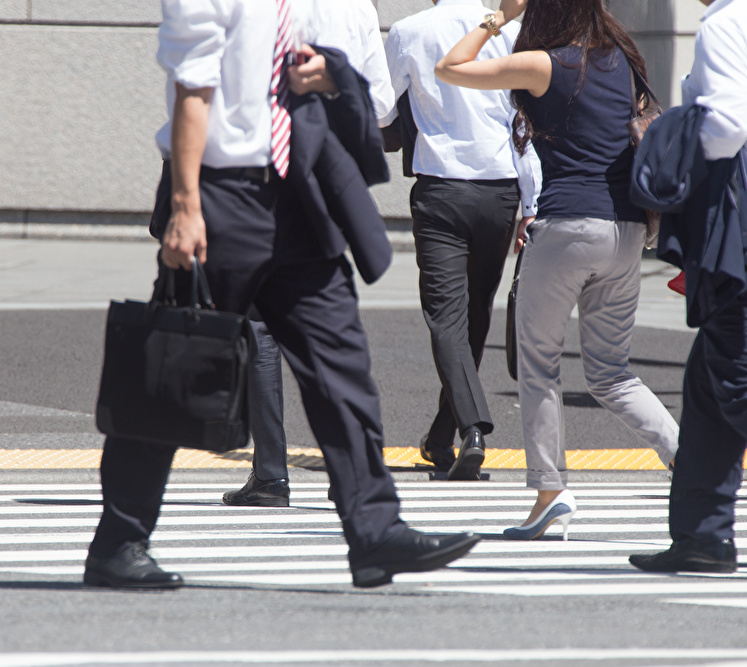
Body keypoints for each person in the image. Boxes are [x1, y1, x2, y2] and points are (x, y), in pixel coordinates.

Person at [83, 0, 481, 590]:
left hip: (301, 195)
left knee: (341, 365)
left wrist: (329, 75)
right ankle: (118, 541)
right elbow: (193, 89)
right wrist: (187, 207)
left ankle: (374, 531)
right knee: (172, 367)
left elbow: (373, 104)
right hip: (221, 194)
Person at [436, 0, 679, 539]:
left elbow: (450, 67)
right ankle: (686, 458)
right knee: (613, 372)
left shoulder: (546, 64)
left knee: (539, 365)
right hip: (627, 233)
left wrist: (498, 19)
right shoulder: (623, 58)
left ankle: (550, 491)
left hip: (567, 228)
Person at [628, 0, 747, 573]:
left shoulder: (731, 24)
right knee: (711, 378)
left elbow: (728, 123)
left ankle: (704, 535)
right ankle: (702, 535)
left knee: (741, 386)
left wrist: (675, 146)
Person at [222, 0, 396, 508]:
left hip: (278, 191)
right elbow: (382, 107)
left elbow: (375, 104)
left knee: (316, 345)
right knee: (180, 352)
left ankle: (364, 515)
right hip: (279, 190)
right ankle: (122, 530)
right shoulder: (355, 7)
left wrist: (328, 77)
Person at [382, 0, 541, 481]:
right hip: (500, 190)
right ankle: (439, 436)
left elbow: (380, 110)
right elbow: (524, 125)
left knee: (445, 316)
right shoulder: (510, 30)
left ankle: (471, 428)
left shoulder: (410, 30)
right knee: (474, 316)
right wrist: (531, 203)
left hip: (441, 187)